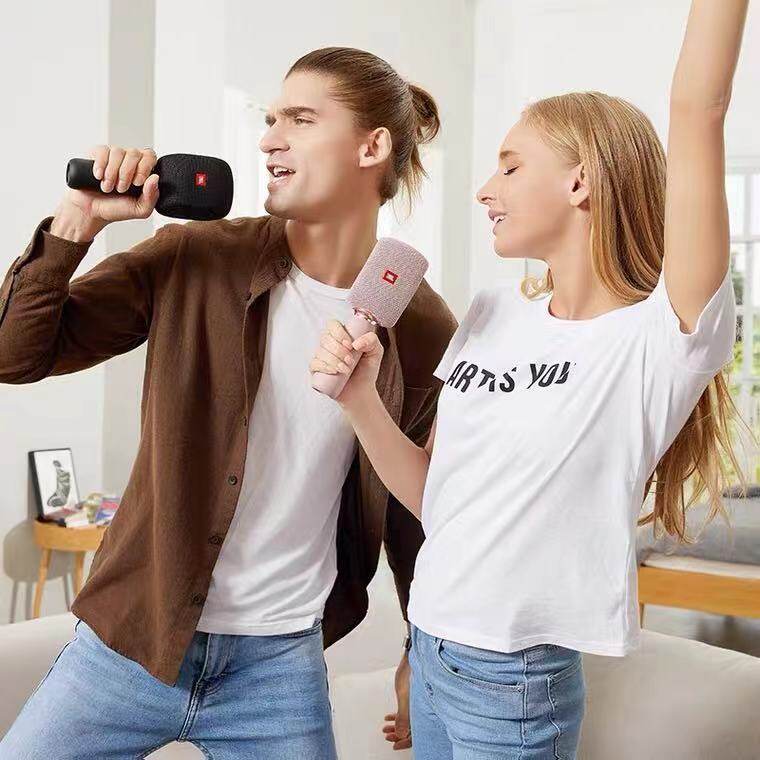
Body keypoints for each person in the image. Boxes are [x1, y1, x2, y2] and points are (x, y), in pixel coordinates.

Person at [309, 3, 752, 757]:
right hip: (434, 648)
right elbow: (436, 497)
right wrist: (360, 401)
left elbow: (697, 108)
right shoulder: (493, 314)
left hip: (511, 683)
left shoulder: (660, 336)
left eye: (511, 166)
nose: (486, 189)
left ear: (581, 182)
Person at [0, 47, 457, 758]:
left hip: (279, 670)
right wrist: (76, 221)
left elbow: (417, 512)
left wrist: (418, 654)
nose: (270, 138)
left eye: (300, 119)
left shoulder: (420, 324)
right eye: (270, 120)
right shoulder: (195, 258)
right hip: (129, 644)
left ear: (372, 147)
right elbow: (15, 355)